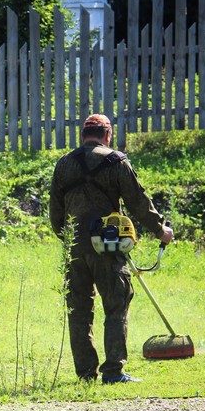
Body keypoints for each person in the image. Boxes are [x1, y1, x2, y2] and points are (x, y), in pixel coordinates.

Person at [48, 114, 173, 384]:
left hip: (74, 247)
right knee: (116, 304)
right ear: (108, 135)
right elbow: (138, 202)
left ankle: (85, 375)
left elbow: (55, 216)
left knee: (79, 310)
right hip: (108, 242)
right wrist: (160, 229)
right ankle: (114, 371)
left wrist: (71, 240)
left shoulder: (63, 164)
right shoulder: (116, 161)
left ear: (82, 136)